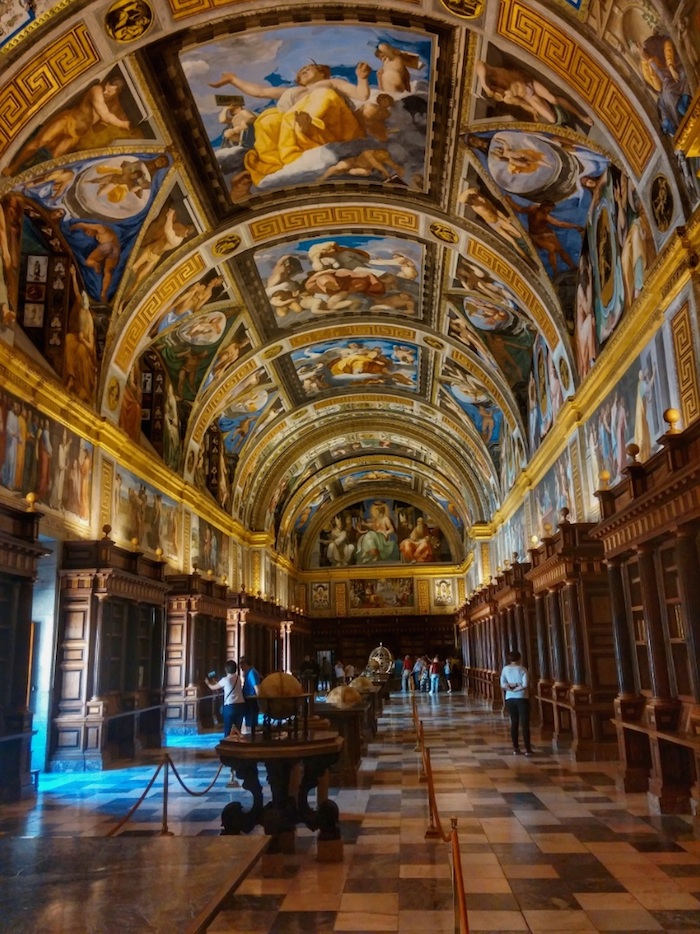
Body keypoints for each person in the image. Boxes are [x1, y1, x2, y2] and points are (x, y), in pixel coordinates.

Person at [209, 60, 372, 191]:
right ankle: (276, 162)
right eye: (301, 72)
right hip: (296, 126)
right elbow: (260, 91)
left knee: (322, 95)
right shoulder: (293, 92)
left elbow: (361, 95)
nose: (304, 70)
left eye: (309, 68)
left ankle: (309, 125)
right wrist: (233, 79)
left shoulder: (329, 84)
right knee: (268, 119)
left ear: (322, 73)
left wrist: (362, 78)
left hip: (331, 127)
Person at [4, 76, 132, 176]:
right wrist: (123, 124)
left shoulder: (114, 105)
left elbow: (98, 126)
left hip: (77, 134)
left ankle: (23, 176)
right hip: (68, 120)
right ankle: (13, 167)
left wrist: (104, 125)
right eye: (106, 87)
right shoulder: (97, 90)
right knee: (40, 141)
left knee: (52, 160)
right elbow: (105, 115)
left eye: (109, 91)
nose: (105, 91)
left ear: (117, 92)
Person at [500, 651, 533, 756]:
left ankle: (516, 748)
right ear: (519, 658)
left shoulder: (505, 669)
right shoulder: (522, 669)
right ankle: (528, 749)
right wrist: (517, 687)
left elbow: (503, 683)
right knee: (525, 723)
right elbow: (525, 684)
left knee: (514, 723)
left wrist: (511, 688)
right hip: (522, 697)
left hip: (510, 698)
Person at [239, 655, 261, 735]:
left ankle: (251, 737)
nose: (240, 667)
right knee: (249, 721)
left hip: (251, 700)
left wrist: (260, 700)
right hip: (248, 700)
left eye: (241, 664)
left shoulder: (252, 673)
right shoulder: (248, 672)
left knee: (251, 723)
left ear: (245, 664)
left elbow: (257, 688)